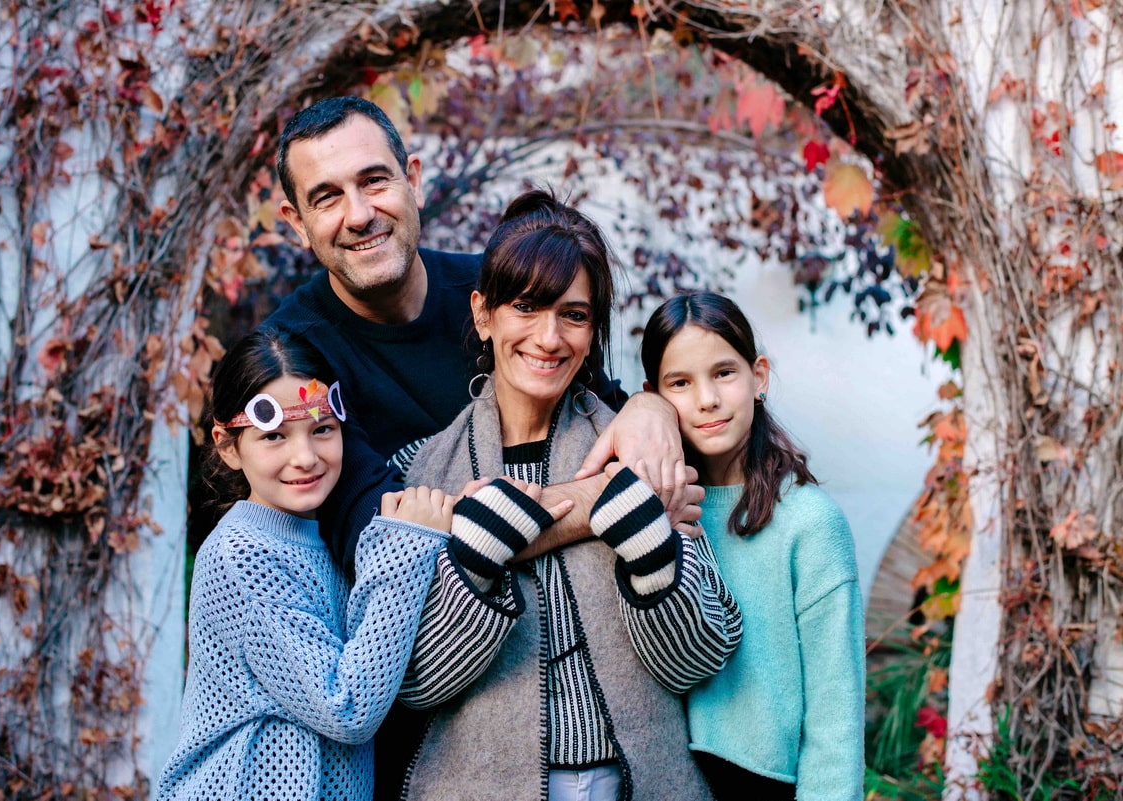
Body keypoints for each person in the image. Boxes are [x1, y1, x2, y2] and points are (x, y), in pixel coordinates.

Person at [262, 96, 702, 798]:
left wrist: (652, 407)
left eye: (374, 180)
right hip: (431, 735)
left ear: (412, 177)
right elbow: (394, 542)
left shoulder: (503, 289)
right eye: (326, 196)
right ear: (297, 221)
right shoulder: (294, 357)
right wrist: (605, 502)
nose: (358, 213)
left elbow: (598, 405)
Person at [395, 190, 743, 801]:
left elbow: (701, 660)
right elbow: (410, 684)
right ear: (483, 314)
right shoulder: (420, 471)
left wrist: (654, 562)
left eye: (574, 314)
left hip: (639, 781)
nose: (549, 337)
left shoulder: (646, 456)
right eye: (525, 307)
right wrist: (475, 564)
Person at [158, 330, 455, 801]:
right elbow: (347, 707)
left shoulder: (325, 536)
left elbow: (369, 651)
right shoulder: (243, 555)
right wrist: (407, 549)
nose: (305, 457)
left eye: (322, 429)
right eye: (274, 436)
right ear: (229, 446)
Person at [640, 292, 865, 801]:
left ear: (758, 376)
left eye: (724, 373)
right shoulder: (653, 516)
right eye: (681, 383)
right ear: (653, 397)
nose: (707, 399)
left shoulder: (810, 523)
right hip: (665, 780)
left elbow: (836, 716)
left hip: (766, 786)